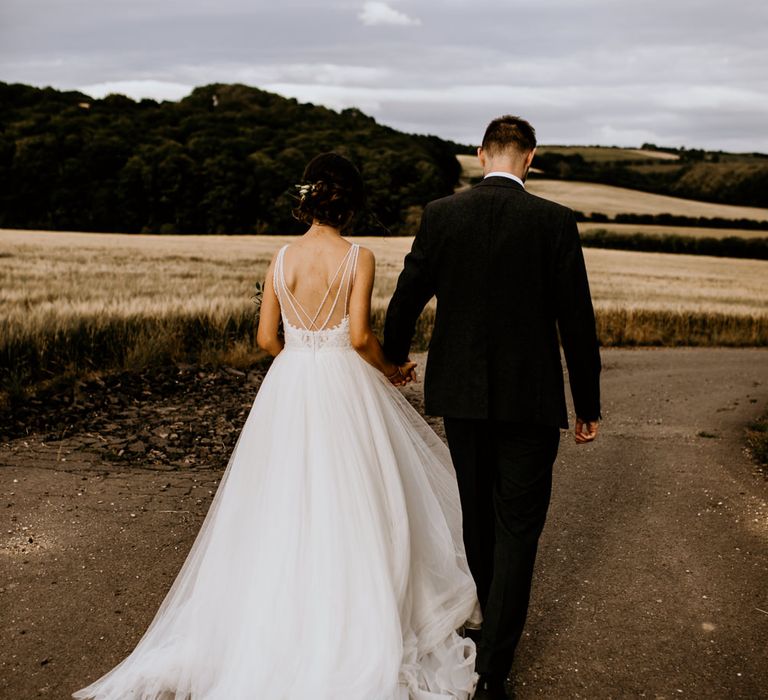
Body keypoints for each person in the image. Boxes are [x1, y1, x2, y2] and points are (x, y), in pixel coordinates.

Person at [71, 152, 482, 700]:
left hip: (291, 384)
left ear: (310, 197)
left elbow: (267, 340)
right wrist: (390, 369)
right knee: (355, 497)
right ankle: (351, 614)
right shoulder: (357, 257)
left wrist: (301, 355)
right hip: (342, 380)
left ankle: (274, 619)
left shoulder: (281, 256)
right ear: (350, 202)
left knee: (280, 499)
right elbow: (359, 337)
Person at [383, 116, 601, 699]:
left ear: (480, 155)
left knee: (478, 516)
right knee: (519, 528)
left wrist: (393, 358)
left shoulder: (443, 214)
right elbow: (576, 318)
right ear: (530, 158)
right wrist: (587, 401)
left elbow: (407, 296)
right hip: (531, 402)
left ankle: (482, 635)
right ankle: (494, 671)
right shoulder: (554, 221)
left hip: (462, 396)